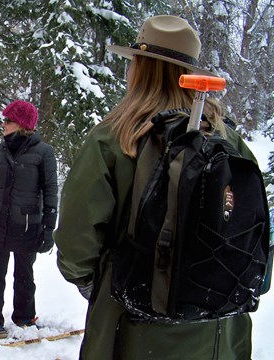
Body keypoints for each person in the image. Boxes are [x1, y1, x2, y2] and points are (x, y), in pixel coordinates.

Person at [54, 15, 257, 359]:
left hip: (133, 327)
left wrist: (98, 284)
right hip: (220, 332)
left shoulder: (116, 139)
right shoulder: (229, 141)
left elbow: (77, 242)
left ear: (142, 69)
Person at [0, 100, 58, 340]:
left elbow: (51, 191)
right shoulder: (1, 149)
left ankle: (25, 317)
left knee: (24, 274)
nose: (3, 124)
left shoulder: (44, 152)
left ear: (22, 124)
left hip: (27, 224)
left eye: (8, 120)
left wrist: (49, 229)